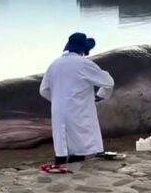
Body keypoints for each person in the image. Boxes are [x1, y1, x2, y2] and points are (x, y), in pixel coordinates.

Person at [39, 32, 114, 168]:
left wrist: (57, 100)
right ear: (84, 50)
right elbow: (108, 82)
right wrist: (101, 95)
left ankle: (60, 164)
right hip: (78, 109)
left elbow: (43, 90)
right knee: (80, 142)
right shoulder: (84, 64)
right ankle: (76, 166)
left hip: (58, 111)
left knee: (61, 142)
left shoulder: (54, 64)